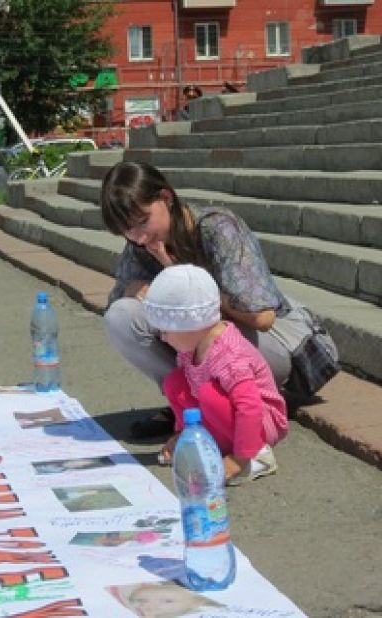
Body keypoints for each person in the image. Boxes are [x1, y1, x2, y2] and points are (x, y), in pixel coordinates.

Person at [100, 161, 336, 439]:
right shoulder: (141, 245)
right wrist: (132, 291)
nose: (138, 236)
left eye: (143, 221)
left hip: (281, 343)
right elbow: (117, 309)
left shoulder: (218, 227)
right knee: (123, 315)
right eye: (127, 230)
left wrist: (184, 282)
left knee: (190, 317)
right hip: (227, 340)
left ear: (166, 198)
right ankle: (190, 403)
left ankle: (230, 406)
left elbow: (262, 317)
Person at [143, 265, 287, 482]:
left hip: (261, 422)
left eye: (166, 330)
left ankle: (256, 456)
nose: (163, 338)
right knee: (175, 382)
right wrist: (184, 431)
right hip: (227, 414)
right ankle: (192, 438)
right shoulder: (192, 347)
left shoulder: (230, 356)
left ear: (191, 324)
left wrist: (238, 459)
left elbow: (249, 407)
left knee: (210, 394)